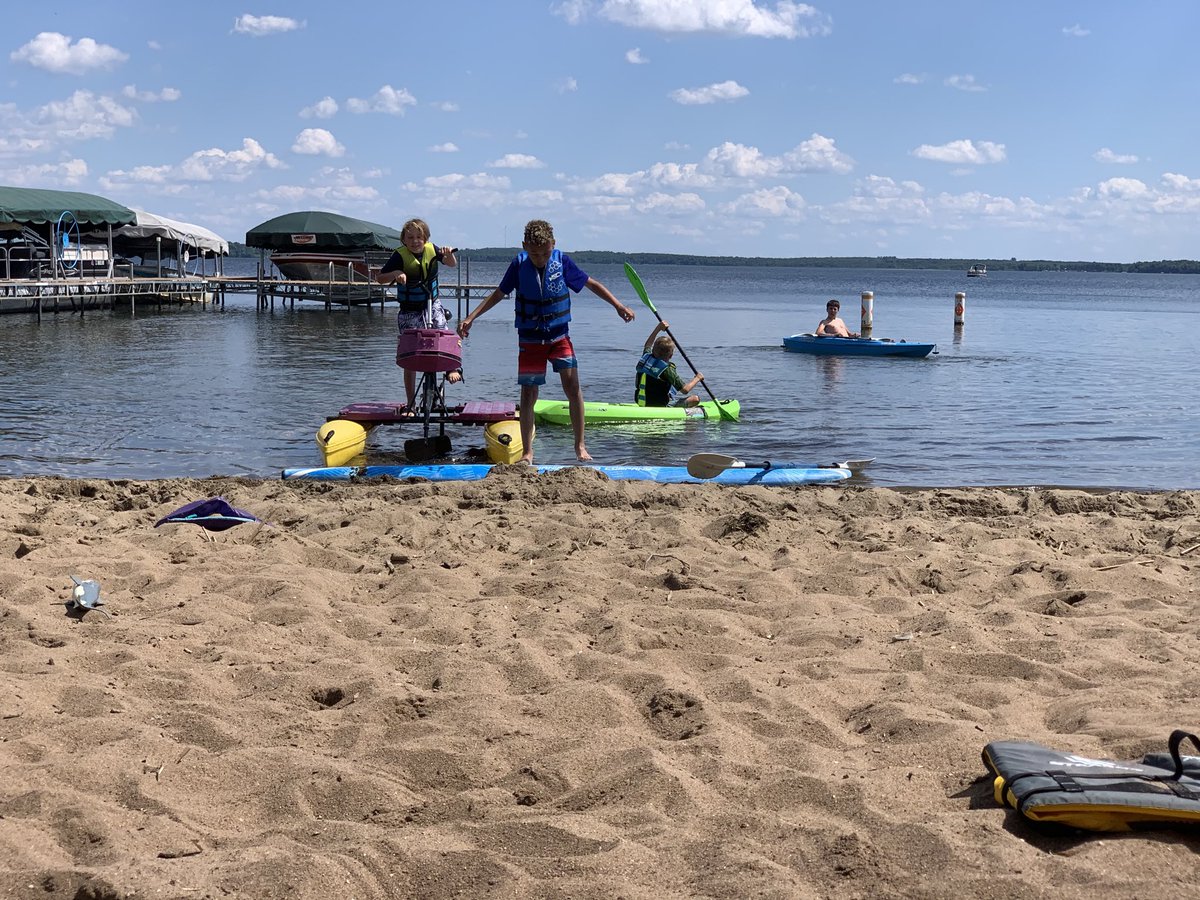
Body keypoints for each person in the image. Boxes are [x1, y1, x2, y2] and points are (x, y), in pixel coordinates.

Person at [456, 219, 635, 462]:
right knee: (529, 394)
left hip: (559, 336)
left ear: (553, 245)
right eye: (534, 254)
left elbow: (591, 284)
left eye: (544, 253)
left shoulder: (562, 261)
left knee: (573, 387)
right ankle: (527, 452)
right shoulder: (519, 265)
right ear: (524, 246)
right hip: (530, 338)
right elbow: (499, 293)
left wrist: (618, 305)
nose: (540, 259)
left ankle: (580, 446)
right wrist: (471, 317)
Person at [375, 218, 460, 410]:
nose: (415, 241)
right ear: (403, 240)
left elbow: (451, 264)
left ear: (426, 238)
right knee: (410, 355)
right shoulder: (399, 256)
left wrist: (448, 255)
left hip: (431, 302)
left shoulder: (432, 249)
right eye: (410, 237)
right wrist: (395, 273)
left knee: (442, 329)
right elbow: (379, 278)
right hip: (409, 309)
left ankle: (451, 368)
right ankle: (411, 403)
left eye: (419, 237)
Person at [635, 321, 702, 408]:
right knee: (695, 399)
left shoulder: (646, 357)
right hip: (660, 406)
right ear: (671, 355)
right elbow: (685, 390)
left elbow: (648, 345)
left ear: (653, 349)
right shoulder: (667, 369)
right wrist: (697, 378)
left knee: (670, 388)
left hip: (640, 402)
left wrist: (658, 328)